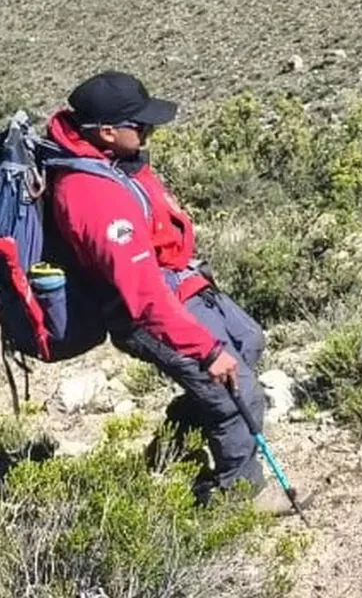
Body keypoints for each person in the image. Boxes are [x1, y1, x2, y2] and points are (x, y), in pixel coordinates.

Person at [43, 70, 303, 514]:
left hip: (181, 286)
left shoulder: (112, 160)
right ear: (106, 132)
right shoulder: (93, 196)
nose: (149, 131)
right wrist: (205, 351)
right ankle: (239, 497)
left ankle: (176, 443)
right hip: (149, 310)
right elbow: (143, 296)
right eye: (139, 125)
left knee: (248, 342)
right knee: (236, 390)